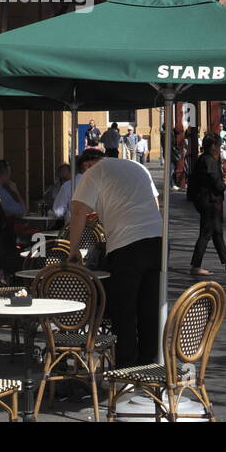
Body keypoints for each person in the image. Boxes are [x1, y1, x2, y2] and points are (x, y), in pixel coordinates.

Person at [67, 153, 162, 367]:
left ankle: (126, 366)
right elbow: (155, 204)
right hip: (156, 240)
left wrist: (73, 251)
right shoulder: (137, 166)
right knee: (149, 307)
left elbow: (78, 212)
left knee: (124, 309)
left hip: (126, 244)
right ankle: (148, 363)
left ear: (87, 164)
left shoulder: (93, 172)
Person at [188, 134, 226, 276]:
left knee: (217, 232)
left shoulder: (203, 159)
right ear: (213, 146)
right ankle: (195, 265)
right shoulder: (209, 161)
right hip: (209, 202)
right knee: (206, 234)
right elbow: (218, 186)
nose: (219, 147)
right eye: (218, 145)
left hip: (207, 201)